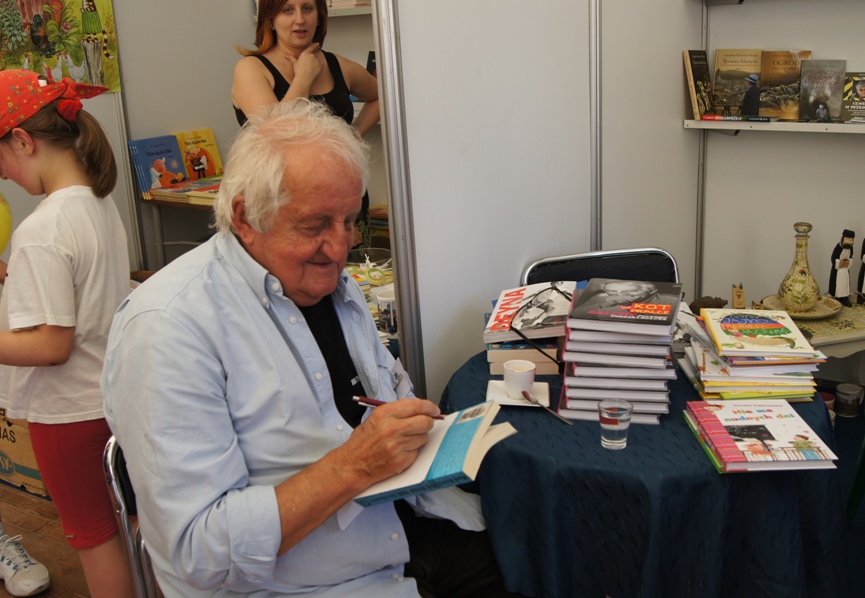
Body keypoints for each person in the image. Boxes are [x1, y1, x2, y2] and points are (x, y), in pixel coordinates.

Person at [102, 99, 518, 598]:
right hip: (303, 583)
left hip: (402, 529)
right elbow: (199, 553)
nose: (341, 248)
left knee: (542, 557)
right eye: (315, 225)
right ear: (245, 217)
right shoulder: (168, 329)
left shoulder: (330, 285)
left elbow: (383, 392)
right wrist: (352, 466)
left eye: (349, 220)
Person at [0, 70, 133, 597]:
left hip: (66, 415)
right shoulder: (97, 204)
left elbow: (52, 345)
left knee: (94, 539)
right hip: (108, 399)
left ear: (22, 141)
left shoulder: (41, 228)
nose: (3, 176)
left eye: (0, 160)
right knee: (127, 529)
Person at [231, 0, 379, 248]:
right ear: (270, 19)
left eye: (307, 8)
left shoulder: (338, 65)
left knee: (352, 271)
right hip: (283, 205)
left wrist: (353, 134)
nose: (299, 19)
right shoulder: (251, 69)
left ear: (319, 16)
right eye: (287, 10)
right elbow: (275, 130)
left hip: (343, 200)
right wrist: (304, 77)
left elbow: (384, 94)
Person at [828, 229, 855, 307]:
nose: (849, 242)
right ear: (843, 238)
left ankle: (844, 297)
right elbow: (833, 258)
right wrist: (839, 263)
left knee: (844, 283)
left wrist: (848, 262)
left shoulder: (850, 248)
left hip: (845, 270)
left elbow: (851, 257)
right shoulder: (838, 247)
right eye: (847, 239)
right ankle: (836, 297)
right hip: (837, 270)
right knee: (836, 283)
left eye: (851, 240)